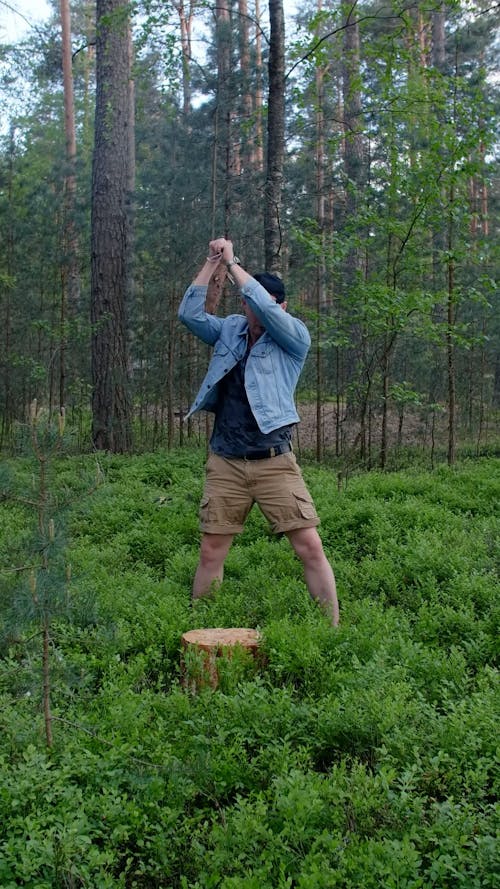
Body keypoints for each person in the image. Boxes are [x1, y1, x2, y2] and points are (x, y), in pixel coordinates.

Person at [178, 237, 339, 626]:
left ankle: (333, 632)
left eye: (261, 303)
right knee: (211, 550)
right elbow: (190, 315)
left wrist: (234, 266)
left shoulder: (293, 337)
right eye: (248, 303)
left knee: (309, 547)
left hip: (274, 462)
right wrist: (212, 262)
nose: (252, 309)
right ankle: (205, 634)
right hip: (226, 462)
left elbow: (265, 305)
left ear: (280, 306)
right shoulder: (230, 330)